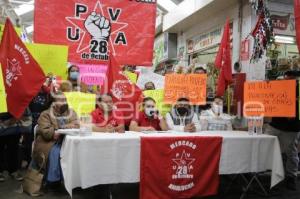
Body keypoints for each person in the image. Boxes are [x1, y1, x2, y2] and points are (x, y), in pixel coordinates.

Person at [264, 70, 300, 190]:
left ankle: (291, 176)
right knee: (266, 147)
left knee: (291, 152)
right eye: (286, 79)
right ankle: (266, 171)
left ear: (297, 80)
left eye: (291, 80)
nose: (288, 82)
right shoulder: (278, 87)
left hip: (292, 128)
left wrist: (296, 111)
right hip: (274, 125)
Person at [32, 92, 79, 172]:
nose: (64, 102)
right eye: (60, 100)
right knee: (56, 153)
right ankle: (53, 180)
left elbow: (77, 125)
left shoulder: (71, 112)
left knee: (79, 151)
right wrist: (64, 126)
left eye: (65, 99)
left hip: (69, 141)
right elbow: (47, 133)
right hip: (50, 142)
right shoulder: (45, 114)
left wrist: (59, 129)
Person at [0, 109, 32, 182]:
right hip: (1, 126)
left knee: (13, 149)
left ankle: (13, 170)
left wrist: (17, 115)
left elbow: (24, 110)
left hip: (14, 128)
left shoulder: (16, 98)